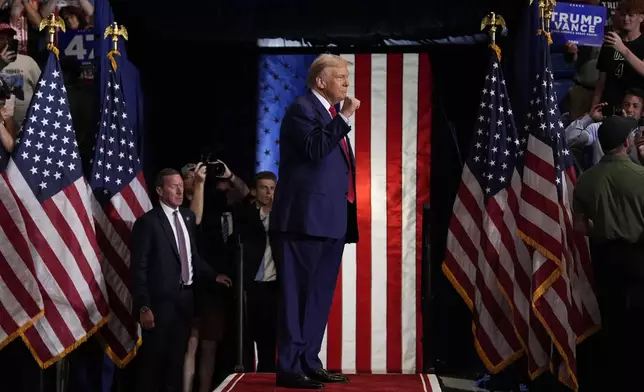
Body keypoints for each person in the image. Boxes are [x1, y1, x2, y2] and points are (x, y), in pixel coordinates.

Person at [270, 54, 360, 389]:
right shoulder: (301, 109)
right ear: (320, 81)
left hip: (330, 223)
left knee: (319, 297)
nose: (346, 83)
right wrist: (345, 118)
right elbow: (314, 149)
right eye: (340, 76)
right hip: (301, 222)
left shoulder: (330, 114)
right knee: (297, 296)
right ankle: (289, 366)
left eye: (347, 77)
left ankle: (309, 360)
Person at [131, 168, 224, 392]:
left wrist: (214, 275)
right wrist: (144, 305)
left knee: (176, 362)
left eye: (181, 185)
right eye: (174, 186)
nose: (180, 190)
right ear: (159, 190)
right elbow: (138, 268)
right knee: (155, 363)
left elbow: (192, 257)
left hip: (185, 300)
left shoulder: (188, 217)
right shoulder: (148, 223)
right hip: (159, 304)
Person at [573, 116, 644, 391]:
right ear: (626, 143)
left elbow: (579, 227)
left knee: (608, 324)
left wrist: (604, 224)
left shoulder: (586, 179)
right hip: (638, 262)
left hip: (602, 260)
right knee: (636, 330)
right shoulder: (641, 177)